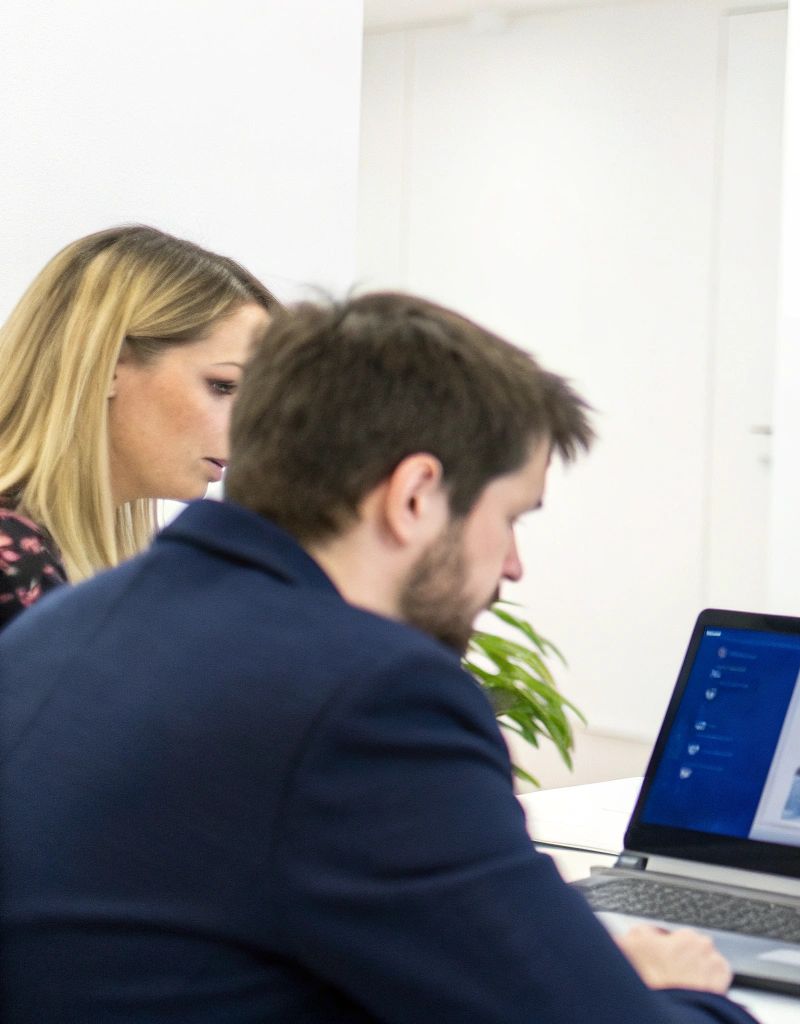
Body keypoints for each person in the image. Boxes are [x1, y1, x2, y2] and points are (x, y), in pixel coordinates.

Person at [0, 294, 757, 1022]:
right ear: (415, 495)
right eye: (510, 517)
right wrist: (685, 989)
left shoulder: (63, 625)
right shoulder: (370, 698)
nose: (514, 564)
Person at [0, 225, 275, 635]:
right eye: (223, 386)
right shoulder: (15, 560)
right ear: (107, 363)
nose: (249, 426)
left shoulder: (68, 564)